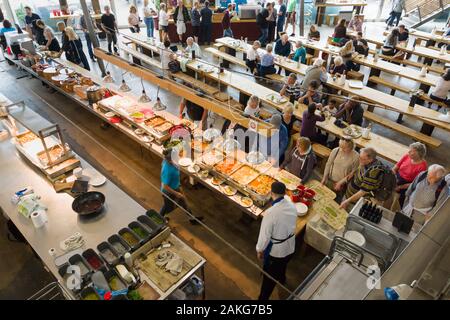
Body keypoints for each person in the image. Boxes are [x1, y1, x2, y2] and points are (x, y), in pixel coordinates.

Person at [256, 181, 297, 300]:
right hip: (290, 246)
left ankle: (262, 300)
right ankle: (282, 279)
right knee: (283, 265)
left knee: (269, 280)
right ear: (284, 193)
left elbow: (264, 236)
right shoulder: (291, 205)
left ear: (271, 193)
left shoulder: (270, 213)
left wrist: (259, 250)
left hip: (277, 252)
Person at [159, 149, 204, 224]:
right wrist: (177, 194)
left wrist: (179, 185)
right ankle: (160, 219)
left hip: (176, 187)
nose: (178, 158)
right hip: (169, 192)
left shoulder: (170, 162)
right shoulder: (167, 170)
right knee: (168, 207)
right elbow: (165, 186)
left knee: (183, 202)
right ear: (170, 160)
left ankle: (192, 218)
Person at [392, 142, 427, 208]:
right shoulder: (407, 156)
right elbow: (395, 167)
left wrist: (400, 187)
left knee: (400, 200)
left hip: (407, 184)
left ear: (418, 154)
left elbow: (415, 183)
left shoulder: (422, 166)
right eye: (410, 150)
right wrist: (394, 179)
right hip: (397, 177)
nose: (409, 152)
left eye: (412, 151)